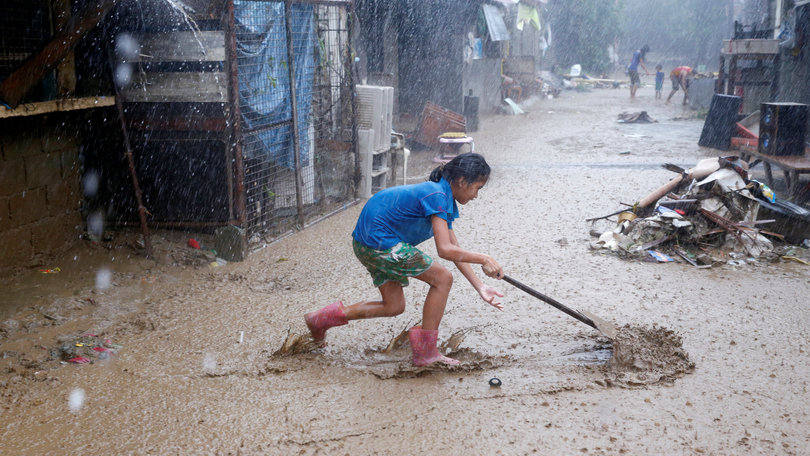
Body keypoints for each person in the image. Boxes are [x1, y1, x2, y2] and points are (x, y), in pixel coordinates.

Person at [303, 153, 504, 367]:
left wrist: (480, 286)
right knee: (443, 278)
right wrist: (484, 258)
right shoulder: (437, 194)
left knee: (394, 306)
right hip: (379, 241)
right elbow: (444, 250)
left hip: (366, 243)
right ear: (462, 181)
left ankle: (320, 320)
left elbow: (455, 250)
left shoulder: (443, 198)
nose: (476, 196)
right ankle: (426, 352)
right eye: (477, 188)